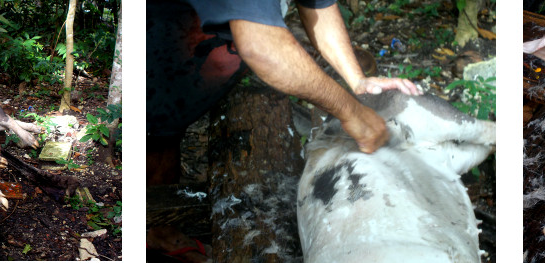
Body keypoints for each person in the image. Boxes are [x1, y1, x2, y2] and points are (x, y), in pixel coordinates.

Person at [147, 0, 420, 184]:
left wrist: (357, 80)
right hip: (151, 57)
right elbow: (262, 47)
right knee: (144, 142)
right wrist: (352, 112)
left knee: (163, 134)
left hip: (182, 78)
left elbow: (318, 6)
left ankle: (158, 230)